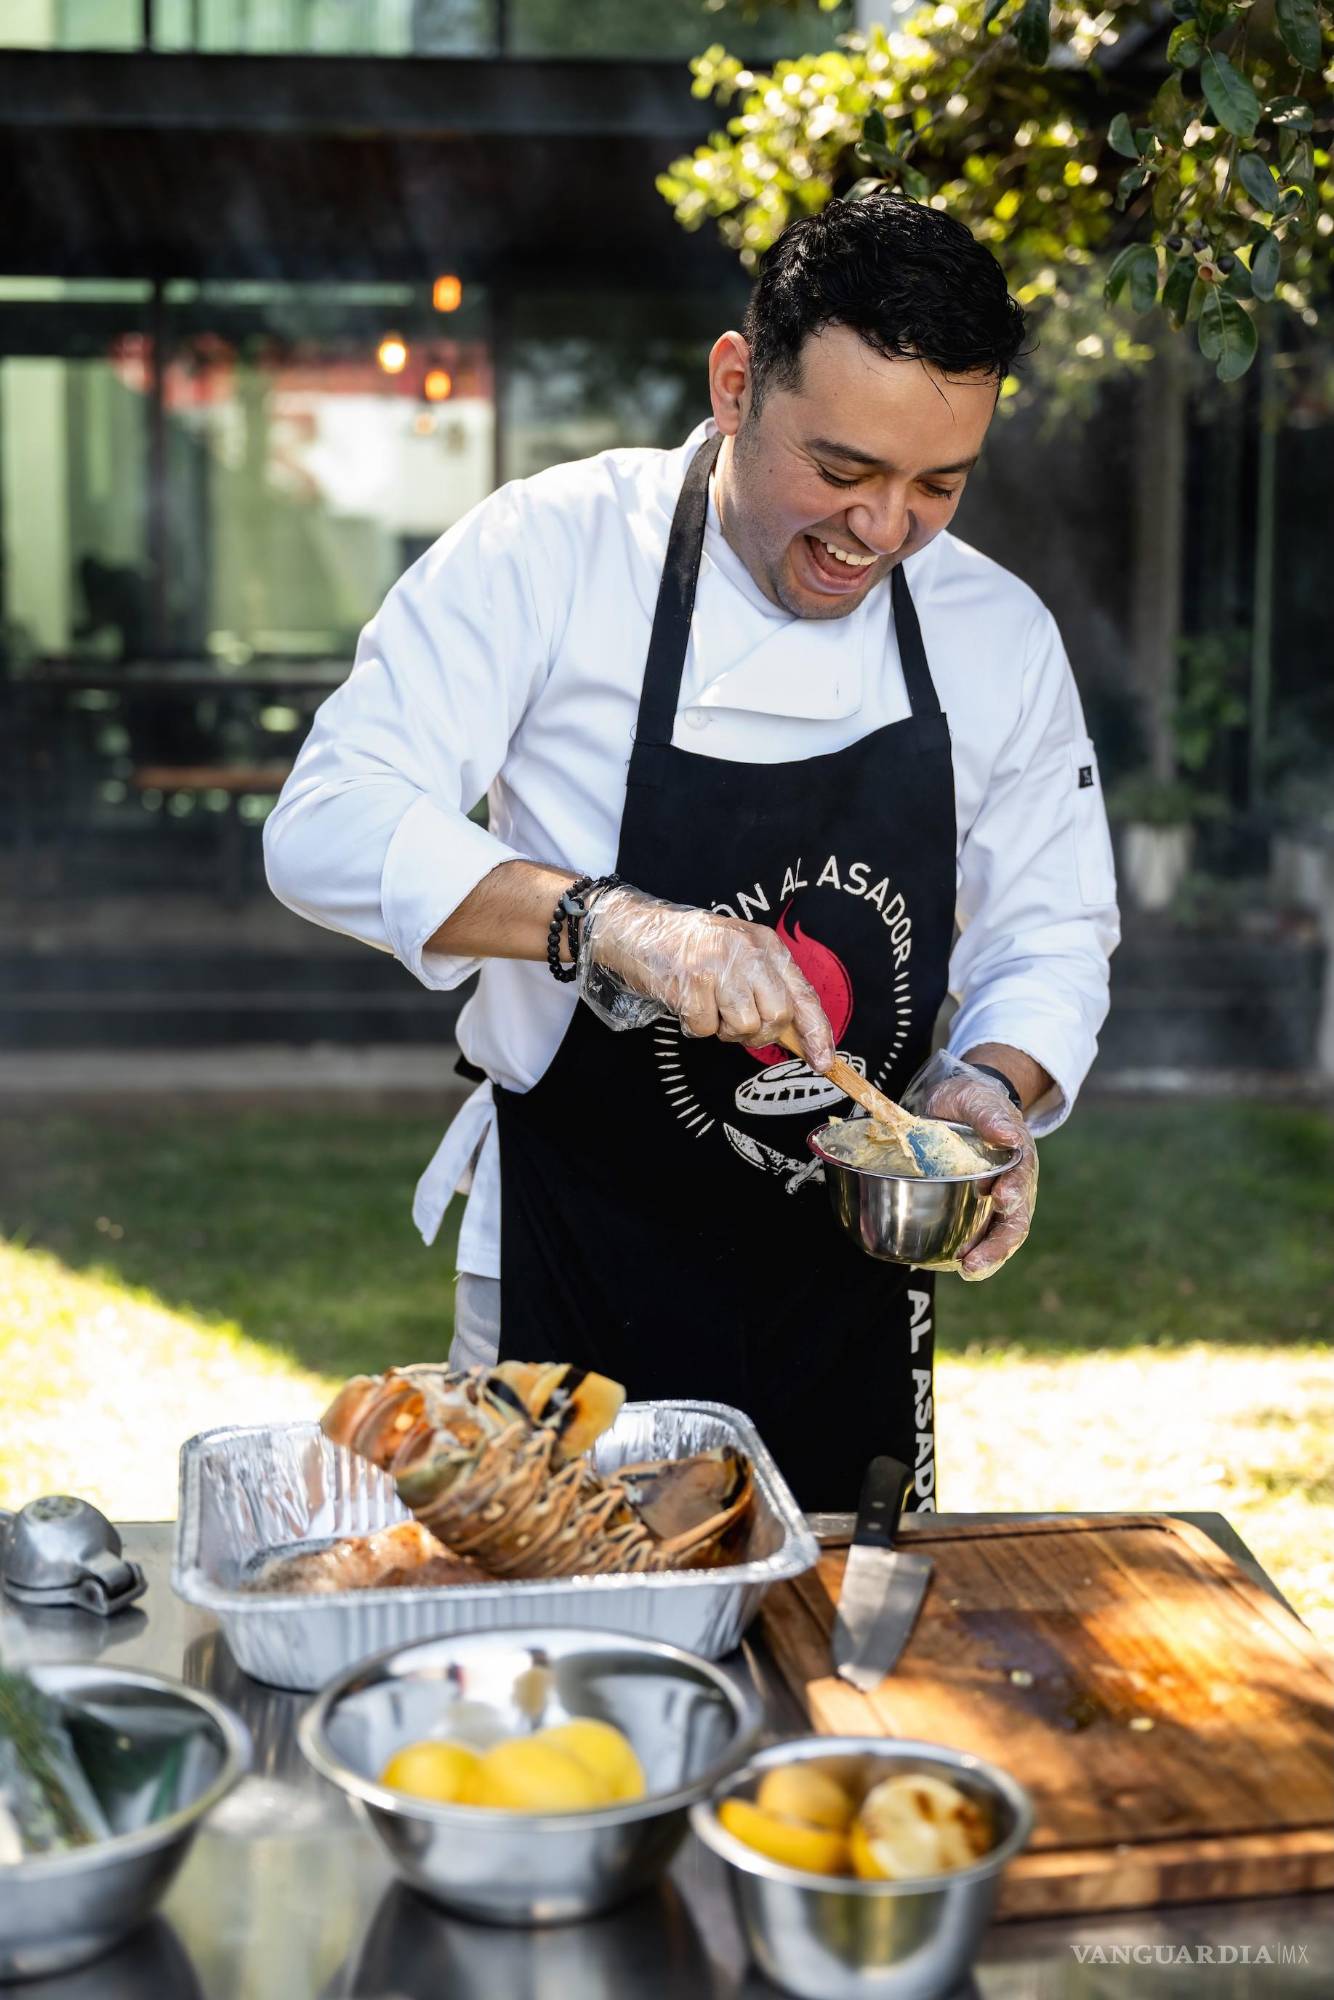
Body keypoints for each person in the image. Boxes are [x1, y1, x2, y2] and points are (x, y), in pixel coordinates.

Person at [264, 194, 1119, 1512]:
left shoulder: (994, 634)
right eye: (838, 472)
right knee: (560, 1656)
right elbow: (326, 820)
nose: (879, 532)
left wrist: (992, 1084)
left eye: (935, 484)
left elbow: (1050, 925)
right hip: (578, 1260)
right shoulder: (548, 554)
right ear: (734, 384)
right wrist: (612, 924)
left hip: (850, 1288)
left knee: (838, 1662)